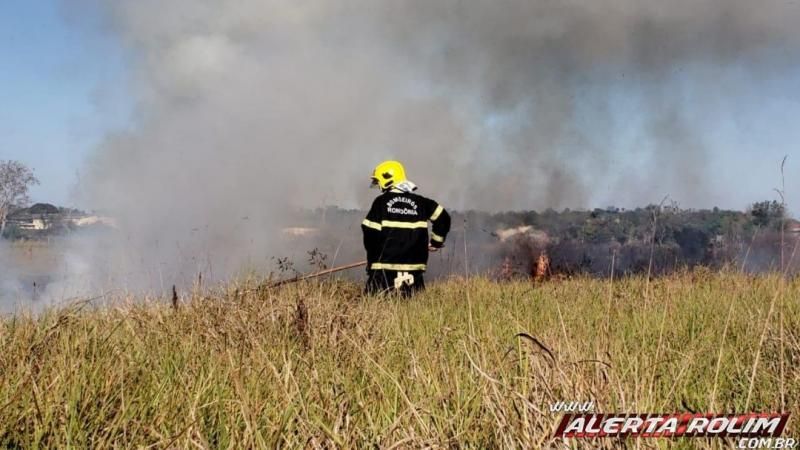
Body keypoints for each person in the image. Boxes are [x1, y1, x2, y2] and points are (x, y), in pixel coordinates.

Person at [361, 160, 451, 296]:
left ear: (387, 179)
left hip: (384, 270)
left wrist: (372, 262)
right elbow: (443, 218)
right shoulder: (421, 202)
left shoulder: (381, 202)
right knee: (414, 308)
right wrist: (436, 242)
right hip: (414, 269)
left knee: (374, 305)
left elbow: (370, 233)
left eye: (378, 181)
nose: (378, 186)